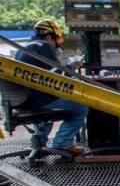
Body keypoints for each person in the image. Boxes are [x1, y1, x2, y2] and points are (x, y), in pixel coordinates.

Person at [13, 19, 88, 155]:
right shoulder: (43, 46)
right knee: (80, 106)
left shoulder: (23, 49)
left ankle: (39, 144)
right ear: (49, 37)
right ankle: (63, 143)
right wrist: (73, 66)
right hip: (38, 99)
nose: (55, 47)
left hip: (21, 100)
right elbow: (57, 76)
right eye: (55, 43)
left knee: (46, 111)